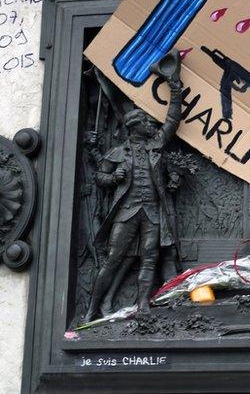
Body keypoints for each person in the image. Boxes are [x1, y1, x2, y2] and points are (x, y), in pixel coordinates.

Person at [84, 53, 184, 321]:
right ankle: (92, 309)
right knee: (113, 260)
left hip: (152, 212)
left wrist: (174, 85)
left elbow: (173, 119)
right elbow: (99, 178)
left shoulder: (157, 145)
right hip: (127, 211)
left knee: (149, 258)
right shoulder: (118, 153)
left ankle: (142, 304)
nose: (152, 125)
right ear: (134, 127)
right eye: (145, 122)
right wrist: (114, 177)